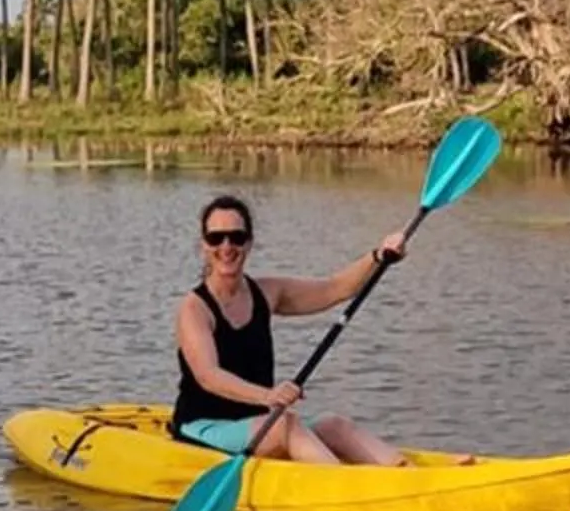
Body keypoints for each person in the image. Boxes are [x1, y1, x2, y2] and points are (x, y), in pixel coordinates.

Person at [171, 192, 414, 467]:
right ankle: (343, 484)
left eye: (237, 237)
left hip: (258, 424)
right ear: (204, 245)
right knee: (286, 425)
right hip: (203, 427)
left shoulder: (267, 293)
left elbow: (335, 288)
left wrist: (379, 256)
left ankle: (409, 475)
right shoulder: (194, 309)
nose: (226, 246)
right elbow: (208, 376)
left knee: (335, 425)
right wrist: (268, 396)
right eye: (216, 238)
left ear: (249, 242)